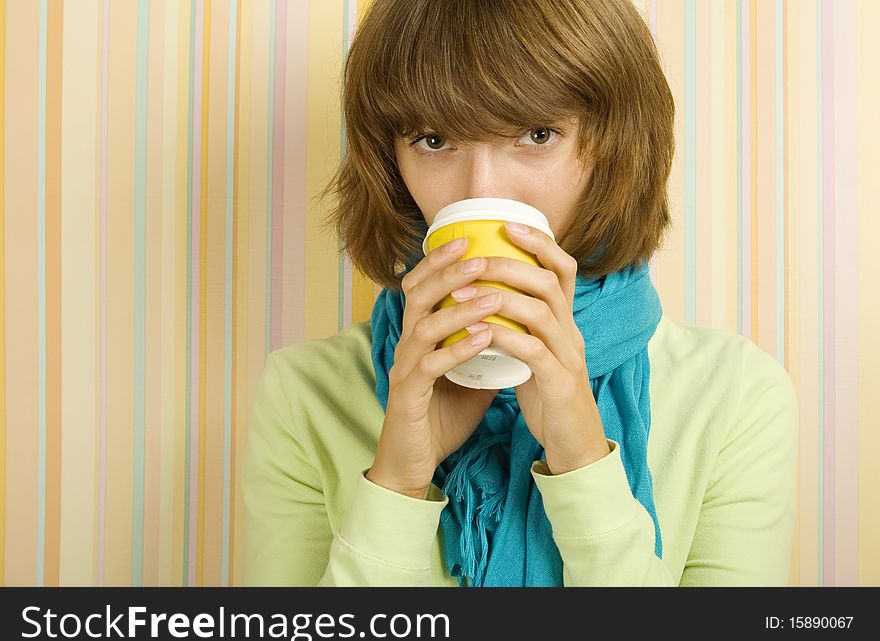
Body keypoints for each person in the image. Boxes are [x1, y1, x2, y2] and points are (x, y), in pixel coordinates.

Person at [242, 0, 798, 587]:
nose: (483, 187)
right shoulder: (306, 393)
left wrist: (582, 460)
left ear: (612, 146)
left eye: (536, 134)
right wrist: (398, 483)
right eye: (434, 140)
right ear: (391, 161)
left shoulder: (733, 396)